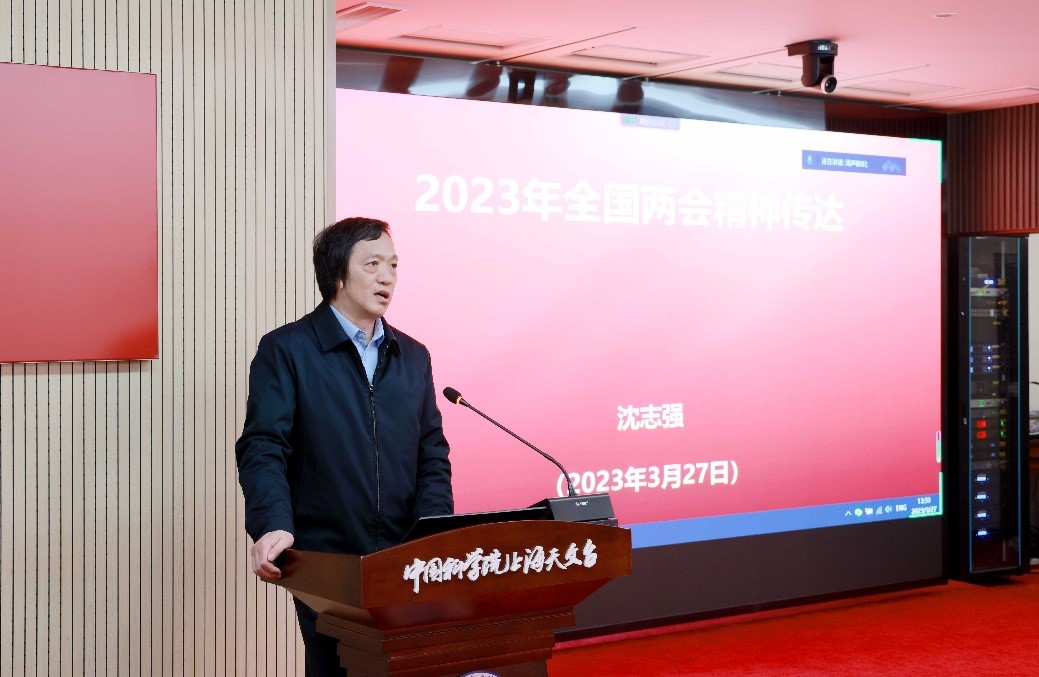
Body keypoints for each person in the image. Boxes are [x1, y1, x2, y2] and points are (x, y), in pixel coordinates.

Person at [235, 216, 454, 675]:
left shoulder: (413, 356)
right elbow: (264, 446)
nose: (387, 277)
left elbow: (431, 454)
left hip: (404, 559)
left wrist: (434, 531)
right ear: (337, 274)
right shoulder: (288, 350)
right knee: (339, 667)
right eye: (372, 264)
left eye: (393, 265)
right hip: (326, 562)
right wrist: (272, 524)